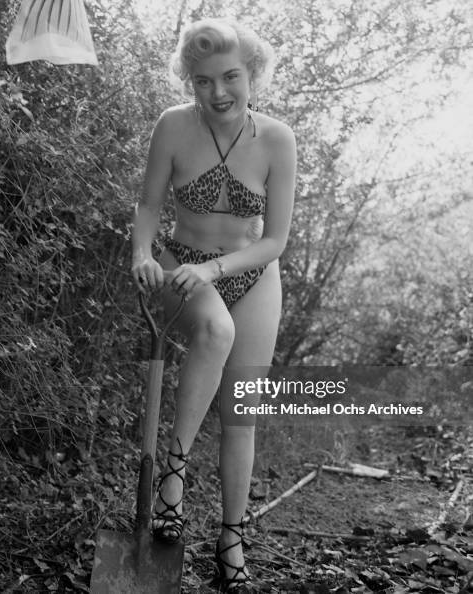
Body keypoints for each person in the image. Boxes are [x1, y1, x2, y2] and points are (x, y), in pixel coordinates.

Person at [131, 17, 296, 591]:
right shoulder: (173, 127)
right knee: (214, 332)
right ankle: (172, 478)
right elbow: (149, 206)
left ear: (252, 74)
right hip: (182, 265)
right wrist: (142, 255)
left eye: (230, 77)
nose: (218, 92)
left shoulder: (277, 139)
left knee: (241, 417)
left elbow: (274, 240)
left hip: (253, 273)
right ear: (189, 82)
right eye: (203, 81)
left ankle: (231, 539)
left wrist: (218, 267)